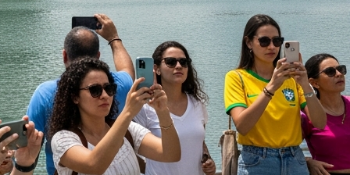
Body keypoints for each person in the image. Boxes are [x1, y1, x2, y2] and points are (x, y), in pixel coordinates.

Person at [26, 13, 134, 175]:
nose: (103, 95)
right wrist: (114, 39)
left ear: (64, 56)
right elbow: (127, 72)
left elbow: (30, 150)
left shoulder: (45, 93)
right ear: (97, 57)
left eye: (104, 90)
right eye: (94, 90)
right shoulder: (114, 86)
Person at [224, 14, 326, 175]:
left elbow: (320, 123)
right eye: (264, 41)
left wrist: (306, 85)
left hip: (294, 159)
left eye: (277, 41)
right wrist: (272, 87)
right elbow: (242, 126)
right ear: (249, 42)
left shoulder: (292, 79)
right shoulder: (236, 77)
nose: (271, 47)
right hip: (257, 162)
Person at [48, 57, 181, 175]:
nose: (105, 95)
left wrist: (163, 112)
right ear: (75, 97)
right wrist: (128, 112)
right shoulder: (62, 139)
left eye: (109, 88)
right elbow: (94, 166)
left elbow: (171, 154)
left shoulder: (128, 130)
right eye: (95, 90)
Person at [133, 41, 215, 175]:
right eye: (171, 62)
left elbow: (199, 141)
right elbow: (129, 145)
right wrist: (147, 169)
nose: (178, 66)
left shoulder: (197, 103)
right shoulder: (145, 107)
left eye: (183, 62)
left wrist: (207, 158)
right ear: (157, 69)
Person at [301, 54, 350, 175]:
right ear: (314, 83)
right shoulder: (309, 115)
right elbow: (286, 150)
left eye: (341, 69)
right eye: (330, 72)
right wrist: (307, 161)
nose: (339, 74)